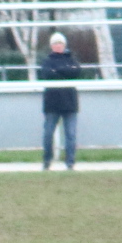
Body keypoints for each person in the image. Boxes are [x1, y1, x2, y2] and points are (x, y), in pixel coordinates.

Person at [38, 33, 81, 171]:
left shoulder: (72, 60)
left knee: (71, 134)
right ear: (51, 46)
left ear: (64, 45)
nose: (58, 46)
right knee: (48, 134)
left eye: (60, 43)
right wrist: (65, 72)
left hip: (70, 104)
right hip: (52, 104)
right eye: (55, 43)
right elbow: (47, 74)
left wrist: (58, 71)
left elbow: (76, 72)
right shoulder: (47, 61)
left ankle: (70, 162)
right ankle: (47, 161)